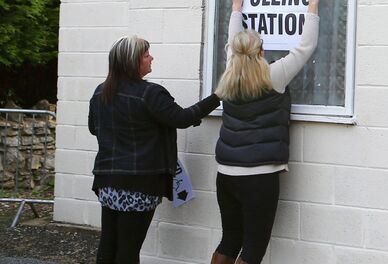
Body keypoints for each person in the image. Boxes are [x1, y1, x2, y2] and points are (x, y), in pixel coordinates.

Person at [88, 35, 221, 264]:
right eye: (146, 54)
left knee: (108, 247)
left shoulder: (101, 92)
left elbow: (93, 128)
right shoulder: (150, 93)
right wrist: (218, 96)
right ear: (133, 61)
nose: (151, 58)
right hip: (138, 184)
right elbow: (181, 118)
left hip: (107, 181)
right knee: (128, 251)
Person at [211, 0, 320, 263]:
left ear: (236, 53)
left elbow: (230, 43)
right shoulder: (274, 76)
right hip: (259, 177)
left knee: (229, 239)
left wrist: (236, 9)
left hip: (226, 173)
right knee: (253, 249)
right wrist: (313, 6)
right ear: (260, 52)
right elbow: (305, 47)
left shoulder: (228, 75)